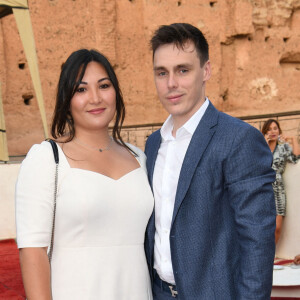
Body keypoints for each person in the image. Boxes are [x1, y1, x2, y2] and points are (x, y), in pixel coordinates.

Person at [144, 23, 276, 299]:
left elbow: (257, 242)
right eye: (162, 72)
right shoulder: (154, 144)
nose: (171, 83)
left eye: (183, 70)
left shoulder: (240, 140)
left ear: (205, 71)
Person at [16, 49, 154, 300]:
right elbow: (32, 251)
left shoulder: (139, 158)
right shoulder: (47, 158)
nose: (95, 98)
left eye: (104, 86)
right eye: (81, 90)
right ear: (66, 99)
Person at [262, 119, 299, 244]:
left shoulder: (283, 148)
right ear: (265, 132)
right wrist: (264, 145)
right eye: (269, 129)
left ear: (279, 131)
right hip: (263, 189)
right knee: (263, 226)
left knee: (277, 227)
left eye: (275, 128)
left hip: (278, 190)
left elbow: (295, 157)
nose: (272, 131)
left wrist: (293, 139)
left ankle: (270, 257)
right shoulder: (260, 148)